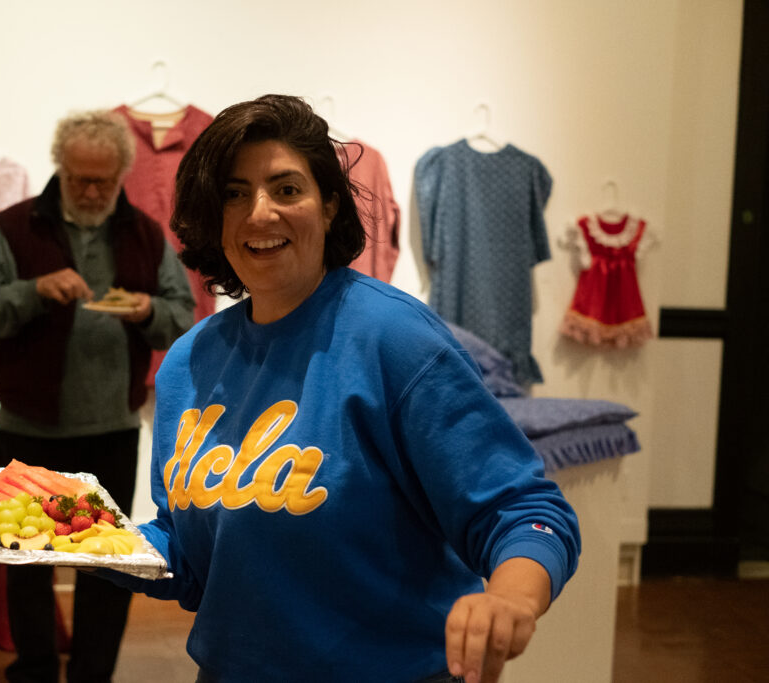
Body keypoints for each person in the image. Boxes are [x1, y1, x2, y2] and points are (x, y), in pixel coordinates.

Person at [98, 94, 581, 683]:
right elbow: (192, 557)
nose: (260, 213)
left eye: (286, 189)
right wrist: (89, 539)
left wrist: (511, 600)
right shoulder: (188, 363)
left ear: (329, 206)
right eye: (233, 193)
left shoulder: (395, 339)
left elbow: (523, 510)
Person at [0, 109, 195, 683]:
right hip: (27, 426)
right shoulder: (16, 228)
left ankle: (93, 675)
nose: (91, 191)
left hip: (111, 429)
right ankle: (35, 670)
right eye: (79, 179)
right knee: (23, 562)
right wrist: (34, 291)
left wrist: (147, 311)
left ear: (121, 174)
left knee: (107, 562)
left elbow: (183, 316)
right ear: (59, 168)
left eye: (104, 181)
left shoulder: (144, 233)